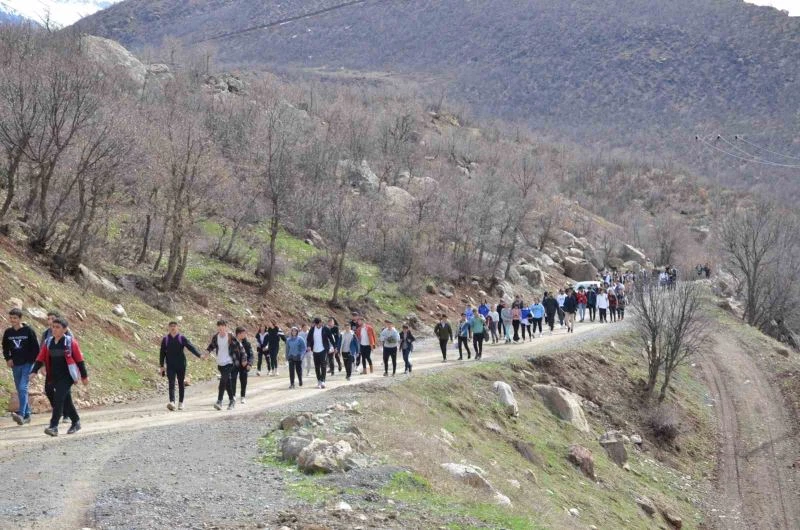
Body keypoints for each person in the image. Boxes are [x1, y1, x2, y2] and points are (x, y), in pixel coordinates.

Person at [30, 317, 88, 436]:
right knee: (63, 398)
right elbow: (40, 358)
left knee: (59, 398)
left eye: (57, 327)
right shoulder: (49, 342)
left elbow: (79, 360)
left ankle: (53, 427)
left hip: (67, 376)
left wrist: (84, 376)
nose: (54, 330)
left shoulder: (70, 342)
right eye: (53, 327)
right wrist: (34, 371)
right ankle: (76, 421)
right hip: (53, 375)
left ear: (65, 329)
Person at [4, 308, 39, 425]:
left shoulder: (28, 331)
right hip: (16, 364)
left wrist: (33, 363)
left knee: (23, 387)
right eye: (11, 318)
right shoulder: (8, 333)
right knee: (20, 389)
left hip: (28, 364)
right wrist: (8, 359)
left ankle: (21, 415)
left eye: (15, 318)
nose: (13, 320)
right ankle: (27, 414)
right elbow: (5, 347)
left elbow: (36, 348)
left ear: (20, 319)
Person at [159, 321, 205, 411]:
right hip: (170, 365)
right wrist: (161, 365)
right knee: (171, 383)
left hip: (181, 364)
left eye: (174, 326)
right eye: (171, 326)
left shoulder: (181, 338)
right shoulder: (166, 339)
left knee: (180, 383)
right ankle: (172, 402)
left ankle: (181, 402)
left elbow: (191, 347)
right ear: (168, 328)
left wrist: (199, 355)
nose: (173, 328)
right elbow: (162, 353)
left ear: (177, 327)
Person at [206, 320, 243, 411]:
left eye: (222, 326)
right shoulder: (216, 337)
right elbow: (211, 346)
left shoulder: (230, 336)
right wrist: (206, 353)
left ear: (225, 327)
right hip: (220, 363)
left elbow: (239, 346)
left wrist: (244, 359)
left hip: (229, 362)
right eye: (219, 327)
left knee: (223, 380)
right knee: (227, 382)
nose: (220, 328)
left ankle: (219, 401)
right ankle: (232, 400)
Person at [306, 317, 334, 389]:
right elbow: (308, 339)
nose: (319, 325)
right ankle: (319, 380)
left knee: (323, 365)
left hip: (323, 349)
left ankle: (323, 381)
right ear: (315, 324)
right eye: (317, 324)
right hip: (315, 350)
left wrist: (335, 346)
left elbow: (331, 338)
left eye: (320, 323)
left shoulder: (325, 329)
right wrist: (308, 346)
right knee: (317, 366)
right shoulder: (312, 329)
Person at [231, 327, 253, 404]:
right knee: (233, 379)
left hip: (244, 365)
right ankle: (233, 396)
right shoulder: (232, 343)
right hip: (234, 364)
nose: (245, 335)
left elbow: (251, 355)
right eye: (244, 333)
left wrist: (249, 364)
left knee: (243, 380)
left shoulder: (247, 344)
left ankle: (242, 396)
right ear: (239, 334)